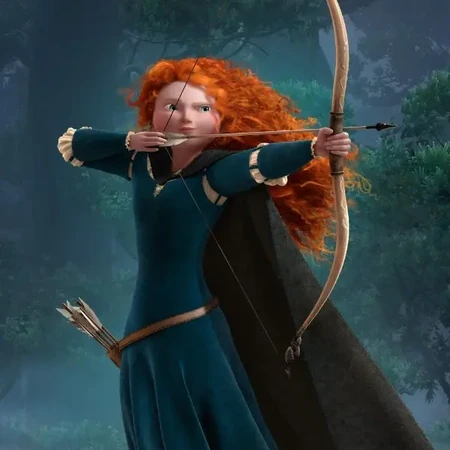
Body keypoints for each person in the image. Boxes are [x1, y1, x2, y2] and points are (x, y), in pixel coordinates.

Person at [57, 57, 433, 450]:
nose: (186, 118)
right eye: (172, 106)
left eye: (203, 108)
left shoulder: (213, 175)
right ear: (151, 113)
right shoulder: (139, 164)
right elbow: (74, 145)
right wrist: (128, 141)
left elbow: (258, 162)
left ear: (218, 122)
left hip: (193, 333)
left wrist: (314, 147)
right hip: (142, 338)